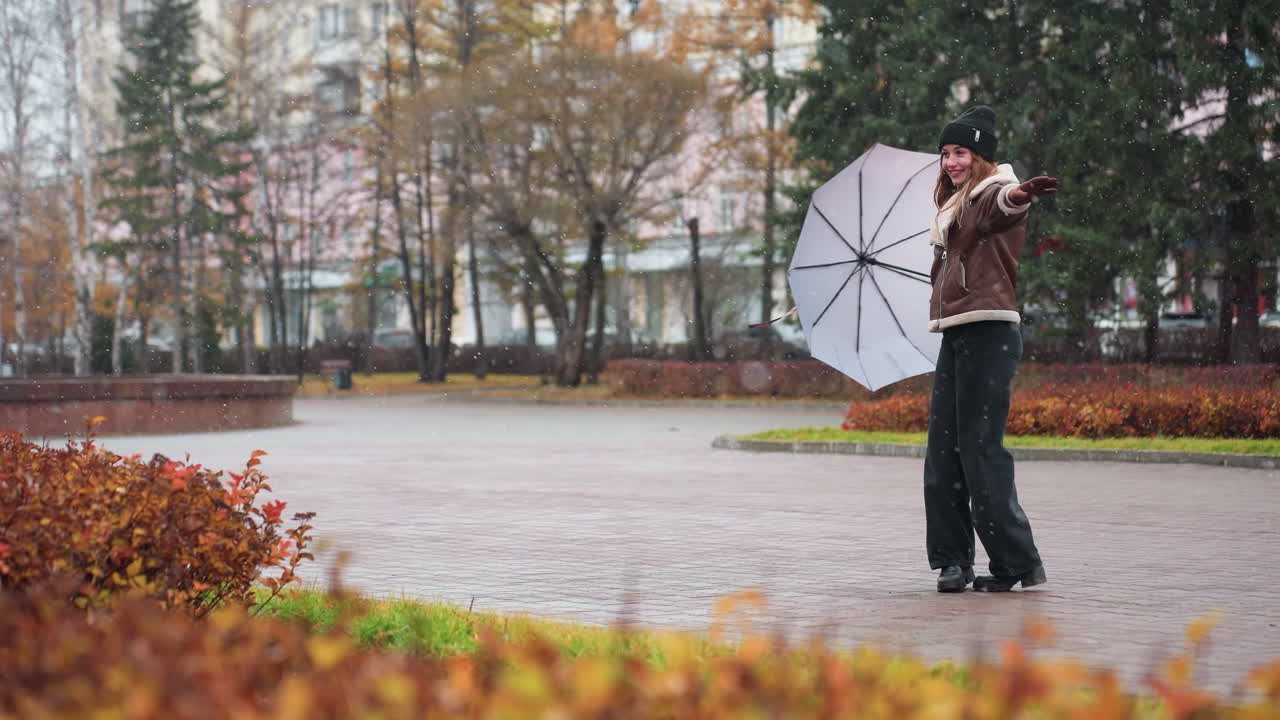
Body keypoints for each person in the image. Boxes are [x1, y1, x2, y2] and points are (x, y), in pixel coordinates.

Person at [924, 105, 1058, 593]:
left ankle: (1016, 562)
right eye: (945, 153)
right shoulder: (953, 206)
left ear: (980, 155)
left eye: (959, 151)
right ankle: (953, 562)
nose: (951, 161)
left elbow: (1005, 203)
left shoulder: (987, 195)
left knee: (980, 451)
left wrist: (1021, 193)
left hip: (990, 334)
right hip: (957, 333)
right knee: (943, 453)